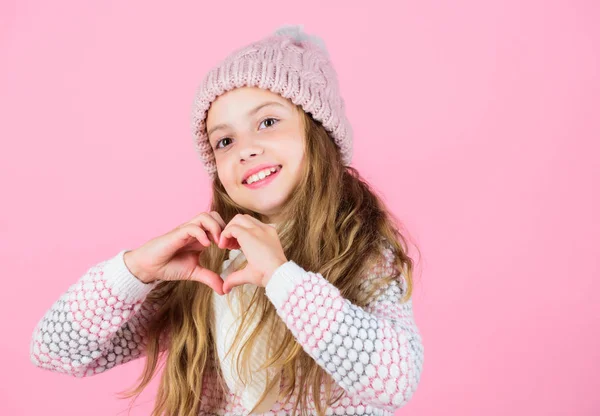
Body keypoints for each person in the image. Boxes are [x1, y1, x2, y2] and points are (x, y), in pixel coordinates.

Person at [30, 24, 425, 416]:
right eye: (225, 141)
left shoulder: (366, 256)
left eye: (268, 122)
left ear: (317, 131)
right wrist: (134, 270)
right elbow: (55, 351)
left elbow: (394, 382)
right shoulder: (211, 268)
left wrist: (282, 277)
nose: (247, 149)